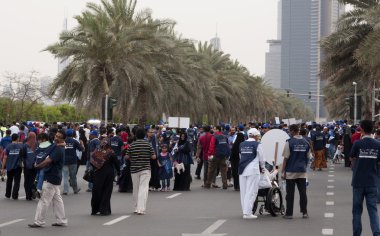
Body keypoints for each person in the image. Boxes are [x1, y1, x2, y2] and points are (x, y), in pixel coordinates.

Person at [28, 131, 68, 228]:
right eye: (56, 135)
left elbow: (48, 160)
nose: (56, 137)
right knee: (57, 200)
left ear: (63, 139)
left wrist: (38, 166)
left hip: (51, 177)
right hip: (55, 177)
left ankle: (39, 221)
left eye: (59, 137)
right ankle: (61, 220)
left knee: (44, 200)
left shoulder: (58, 150)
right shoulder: (56, 146)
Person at [350, 120, 380, 236]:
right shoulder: (378, 144)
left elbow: (351, 157)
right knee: (373, 210)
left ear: (361, 129)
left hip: (358, 181)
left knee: (357, 211)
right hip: (372, 181)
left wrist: (357, 163)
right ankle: (377, 233)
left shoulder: (358, 144)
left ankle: (357, 234)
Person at [281, 124, 310, 219]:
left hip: (291, 171)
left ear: (293, 131)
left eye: (290, 131)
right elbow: (308, 157)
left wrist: (282, 171)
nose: (289, 132)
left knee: (290, 193)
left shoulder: (289, 142)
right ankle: (304, 212)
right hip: (302, 171)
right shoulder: (306, 142)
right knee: (303, 193)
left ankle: (289, 214)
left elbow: (285, 158)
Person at [125, 127, 156, 215]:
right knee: (143, 188)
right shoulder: (148, 144)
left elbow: (127, 156)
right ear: (144, 135)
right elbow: (154, 156)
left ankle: (136, 207)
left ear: (136, 135)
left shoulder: (132, 145)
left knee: (136, 188)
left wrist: (133, 157)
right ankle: (141, 208)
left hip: (134, 169)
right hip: (145, 168)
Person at [238, 128, 265, 219]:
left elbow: (240, 156)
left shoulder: (241, 144)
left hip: (242, 169)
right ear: (256, 136)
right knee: (252, 191)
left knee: (244, 192)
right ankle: (248, 213)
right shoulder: (258, 144)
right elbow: (262, 159)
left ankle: (245, 212)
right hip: (253, 170)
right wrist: (263, 168)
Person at [91, 137, 120, 216]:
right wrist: (119, 172)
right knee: (106, 192)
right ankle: (104, 210)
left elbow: (91, 162)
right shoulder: (111, 152)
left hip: (97, 173)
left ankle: (95, 209)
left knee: (96, 191)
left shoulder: (96, 151)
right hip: (108, 174)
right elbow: (116, 163)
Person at [1, 133, 23, 199]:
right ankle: (15, 195)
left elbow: (5, 157)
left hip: (9, 166)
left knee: (9, 180)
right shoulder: (20, 147)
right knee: (17, 181)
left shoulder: (8, 147)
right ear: (17, 138)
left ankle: (8, 194)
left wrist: (3, 168)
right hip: (18, 166)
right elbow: (22, 157)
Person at [63, 129, 84, 195]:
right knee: (73, 176)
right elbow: (81, 149)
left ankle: (65, 191)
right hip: (73, 161)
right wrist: (82, 144)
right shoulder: (74, 141)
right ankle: (75, 190)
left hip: (64, 161)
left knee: (65, 176)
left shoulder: (63, 141)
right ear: (72, 134)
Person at [21, 132, 37, 200]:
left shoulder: (24, 146)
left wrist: (24, 163)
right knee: (33, 180)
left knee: (27, 181)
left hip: (27, 166)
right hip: (35, 165)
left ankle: (28, 195)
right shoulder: (37, 145)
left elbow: (22, 156)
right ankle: (33, 189)